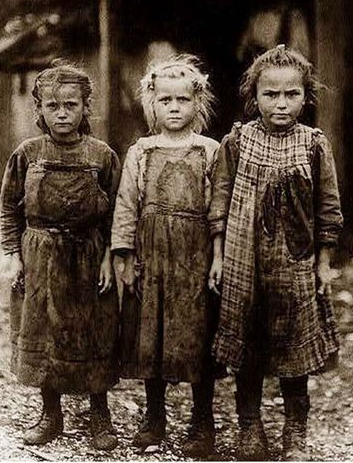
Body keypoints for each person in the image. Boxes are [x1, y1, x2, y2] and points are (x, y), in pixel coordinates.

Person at [208, 44, 343, 461]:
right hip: (242, 259)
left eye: (291, 94)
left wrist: (323, 264)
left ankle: (295, 430)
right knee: (246, 345)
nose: (281, 103)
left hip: (295, 263)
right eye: (271, 94)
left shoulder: (314, 144)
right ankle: (249, 426)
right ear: (255, 96)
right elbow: (220, 199)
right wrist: (218, 255)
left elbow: (328, 207)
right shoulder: (238, 140)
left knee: (294, 350)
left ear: (305, 96)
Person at [0, 61, 121, 450]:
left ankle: (99, 415)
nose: (62, 112)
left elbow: (118, 212)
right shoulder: (27, 153)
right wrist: (14, 256)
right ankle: (50, 414)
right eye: (53, 106)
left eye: (71, 104)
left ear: (87, 106)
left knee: (93, 331)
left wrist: (109, 259)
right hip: (40, 255)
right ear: (39, 110)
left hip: (88, 255)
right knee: (44, 331)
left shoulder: (102, 155)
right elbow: (9, 209)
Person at [111, 54, 224, 458]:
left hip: (193, 260)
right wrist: (123, 254)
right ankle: (154, 417)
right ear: (152, 103)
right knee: (151, 335)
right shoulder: (140, 152)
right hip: (151, 257)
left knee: (197, 336)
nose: (174, 108)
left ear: (198, 103)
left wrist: (218, 256)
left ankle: (202, 421)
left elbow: (218, 210)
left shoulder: (209, 151)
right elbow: (126, 205)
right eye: (165, 101)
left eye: (182, 100)